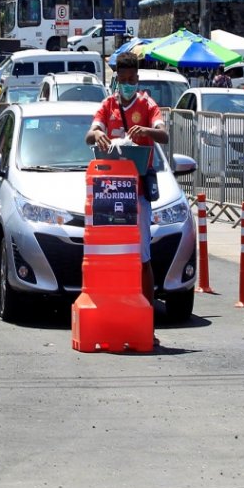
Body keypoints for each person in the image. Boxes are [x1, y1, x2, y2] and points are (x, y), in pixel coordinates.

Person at [85, 50, 168, 309]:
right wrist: (96, 134)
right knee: (109, 256)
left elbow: (163, 133)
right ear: (116, 80)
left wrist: (148, 130)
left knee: (142, 256)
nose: (128, 84)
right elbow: (90, 133)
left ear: (138, 78)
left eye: (132, 79)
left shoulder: (147, 105)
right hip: (108, 194)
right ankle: (111, 308)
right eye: (123, 79)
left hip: (139, 193)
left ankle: (147, 315)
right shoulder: (108, 104)